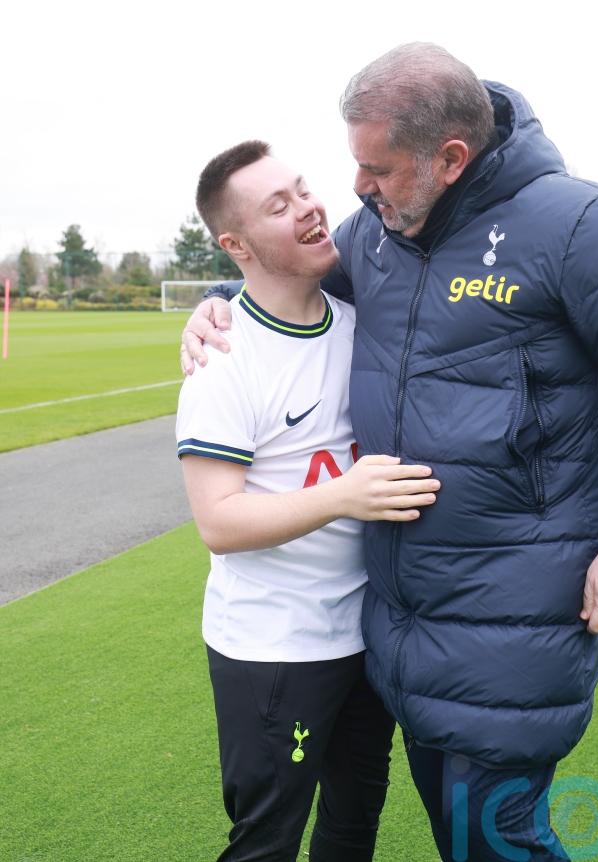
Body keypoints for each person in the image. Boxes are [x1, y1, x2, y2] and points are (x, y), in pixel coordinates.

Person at [181, 45, 598, 861]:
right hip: (402, 626)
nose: (357, 189)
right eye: (355, 166)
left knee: (496, 838)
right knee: (457, 835)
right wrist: (215, 303)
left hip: (516, 619)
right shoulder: (377, 236)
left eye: (379, 169)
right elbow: (285, 285)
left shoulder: (578, 226)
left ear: (450, 158)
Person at [176, 139, 442, 862]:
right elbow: (218, 521)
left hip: (367, 636)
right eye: (278, 204)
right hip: (274, 649)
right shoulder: (222, 361)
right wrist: (344, 494)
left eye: (302, 189)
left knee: (354, 825)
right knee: (266, 840)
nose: (308, 207)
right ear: (236, 245)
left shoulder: (358, 325)